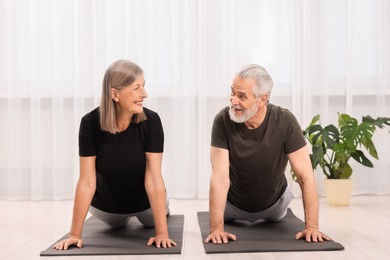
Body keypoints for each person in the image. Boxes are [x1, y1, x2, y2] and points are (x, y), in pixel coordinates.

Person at [54, 60, 176, 250]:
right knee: (117, 225)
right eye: (137, 88)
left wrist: (162, 233)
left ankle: (164, 205)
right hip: (106, 207)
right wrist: (74, 235)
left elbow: (153, 177)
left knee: (153, 218)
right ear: (114, 94)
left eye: (143, 86)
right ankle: (121, 217)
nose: (144, 94)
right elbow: (87, 181)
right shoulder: (89, 123)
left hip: (144, 204)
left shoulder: (151, 121)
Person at [206, 64, 330, 244]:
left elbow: (305, 176)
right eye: (232, 93)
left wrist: (312, 227)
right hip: (232, 207)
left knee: (285, 198)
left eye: (242, 96)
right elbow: (219, 178)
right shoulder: (223, 120)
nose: (233, 101)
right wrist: (216, 229)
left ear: (262, 99)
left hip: (275, 207)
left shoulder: (285, 121)